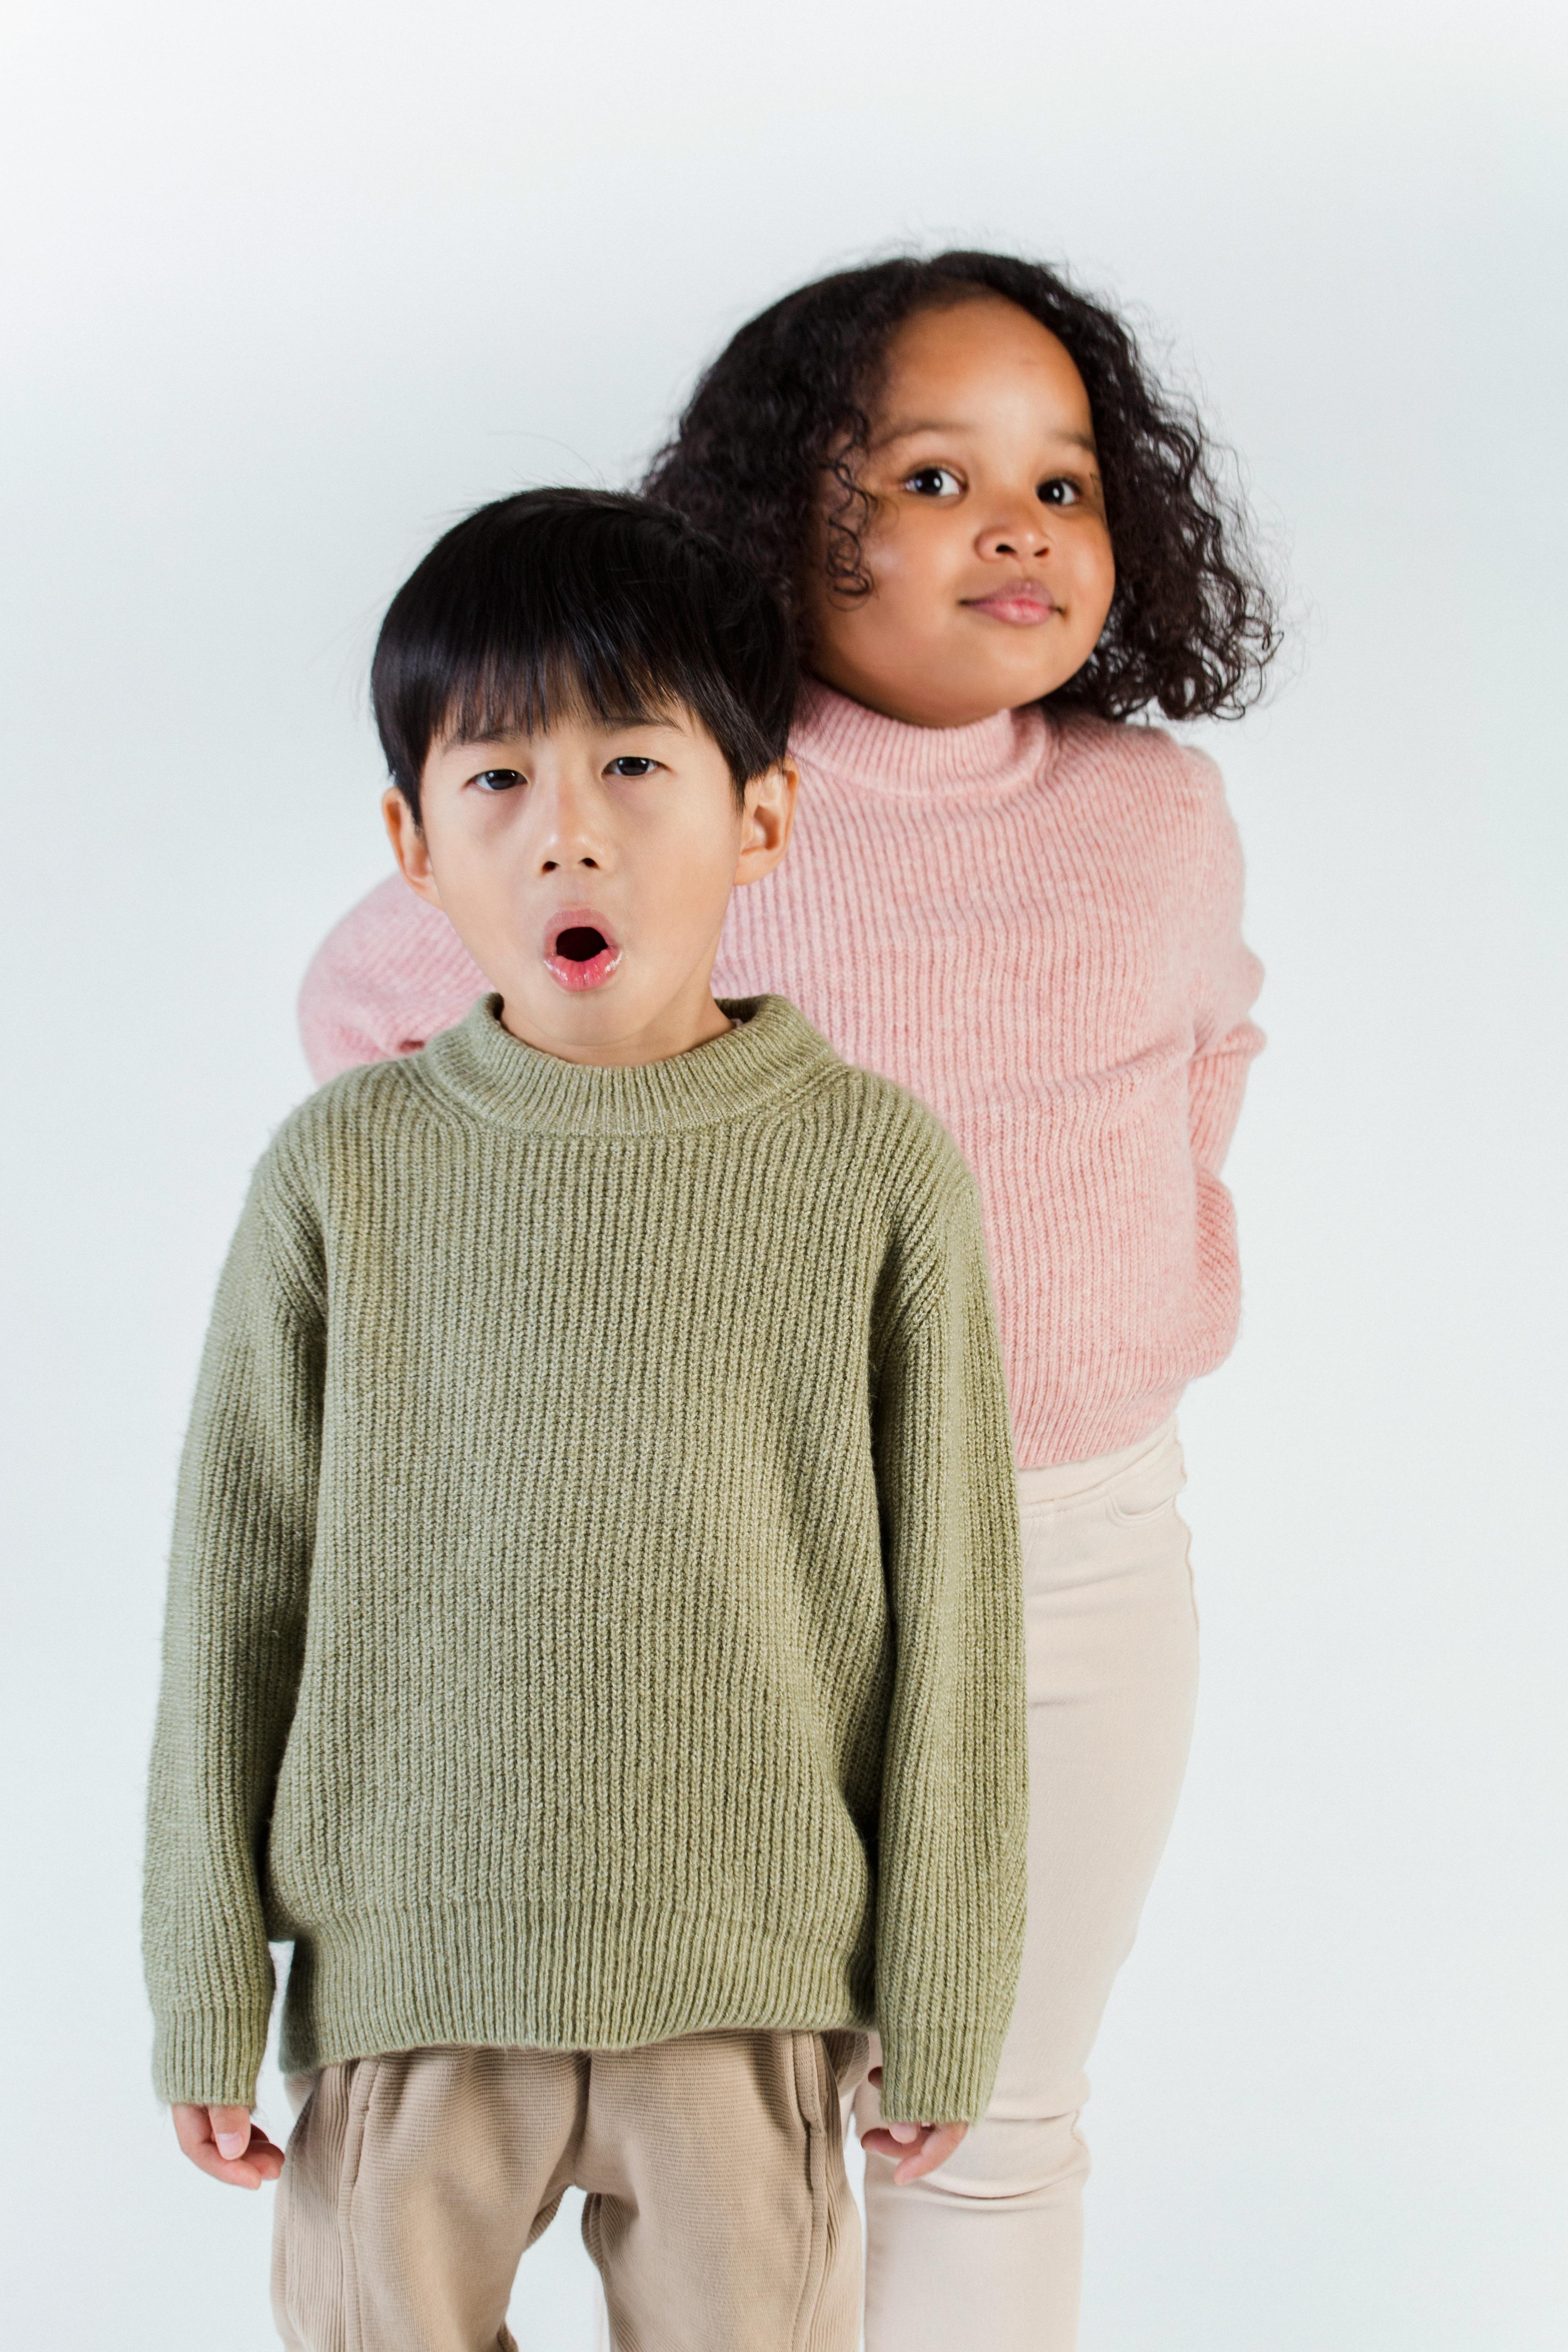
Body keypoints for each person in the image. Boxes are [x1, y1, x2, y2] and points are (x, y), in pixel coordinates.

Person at [296, 252, 1278, 2352]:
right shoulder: (676, 788)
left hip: (1071, 1546)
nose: (1017, 525)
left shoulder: (1154, 818)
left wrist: (1142, 1289)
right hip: (725, 1563)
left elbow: (1213, 1053)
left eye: (1066, 481)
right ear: (776, 521)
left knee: (989, 2108)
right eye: (932, 475)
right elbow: (382, 1014)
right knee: (728, 2114)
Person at [143, 488, 1028, 2352]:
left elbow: (959, 1607)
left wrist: (942, 1980)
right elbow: (233, 1601)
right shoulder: (341, 1175)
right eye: (497, 781)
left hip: (750, 1977)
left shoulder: (874, 1170)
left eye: (636, 763)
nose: (572, 836)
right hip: (411, 1971)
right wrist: (206, 1974)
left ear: (763, 814)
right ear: (409, 839)